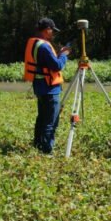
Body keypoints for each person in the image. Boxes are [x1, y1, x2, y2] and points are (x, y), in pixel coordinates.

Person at [24, 18, 70, 154]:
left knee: (42, 118)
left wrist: (60, 54)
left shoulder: (34, 43)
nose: (53, 34)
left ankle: (38, 144)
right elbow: (57, 66)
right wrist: (64, 55)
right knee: (51, 121)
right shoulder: (44, 46)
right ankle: (46, 151)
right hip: (50, 88)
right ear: (47, 30)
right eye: (52, 31)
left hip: (39, 86)